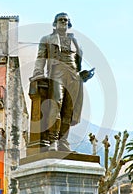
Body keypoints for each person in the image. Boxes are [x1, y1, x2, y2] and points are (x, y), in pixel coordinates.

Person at [31, 12, 92, 151]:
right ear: (55, 23)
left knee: (69, 110)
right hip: (57, 73)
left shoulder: (76, 42)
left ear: (69, 23)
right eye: (61, 19)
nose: (63, 22)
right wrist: (38, 73)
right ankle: (53, 140)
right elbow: (41, 58)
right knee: (56, 105)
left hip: (74, 76)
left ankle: (63, 141)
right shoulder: (47, 39)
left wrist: (83, 75)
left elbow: (78, 62)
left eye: (66, 20)